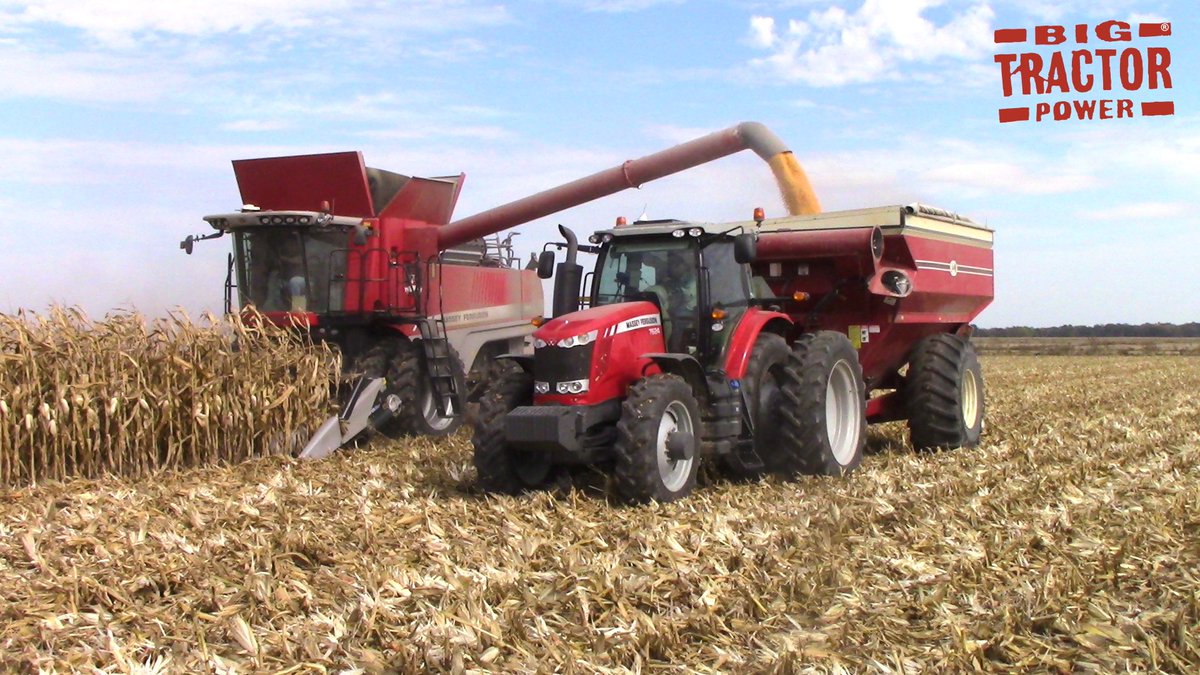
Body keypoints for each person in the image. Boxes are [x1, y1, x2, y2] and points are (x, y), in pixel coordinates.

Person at [645, 250, 697, 350]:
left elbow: (690, 303)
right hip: (670, 316)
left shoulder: (696, 283)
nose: (673, 268)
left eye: (677, 264)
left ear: (686, 266)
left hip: (689, 316)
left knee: (678, 321)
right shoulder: (664, 286)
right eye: (671, 265)